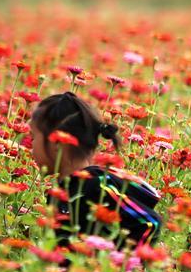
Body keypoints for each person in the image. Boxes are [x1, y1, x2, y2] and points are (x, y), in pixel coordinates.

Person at [29, 92, 161, 249]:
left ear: (58, 143)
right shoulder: (64, 190)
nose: (30, 146)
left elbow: (149, 222)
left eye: (33, 137)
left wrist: (121, 262)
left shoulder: (94, 184)